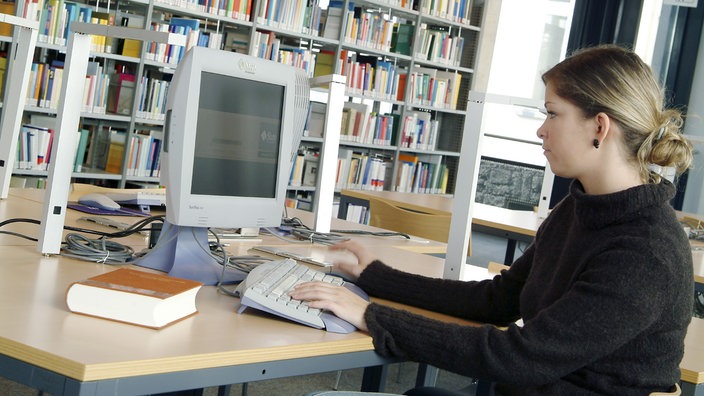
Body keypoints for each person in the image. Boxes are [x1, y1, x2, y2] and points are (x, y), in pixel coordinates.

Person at [290, 44, 695, 395]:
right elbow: (497, 301)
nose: (541, 130)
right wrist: (377, 277)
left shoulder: (644, 251)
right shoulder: (578, 208)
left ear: (600, 126)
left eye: (552, 114)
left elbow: (519, 357)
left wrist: (371, 315)